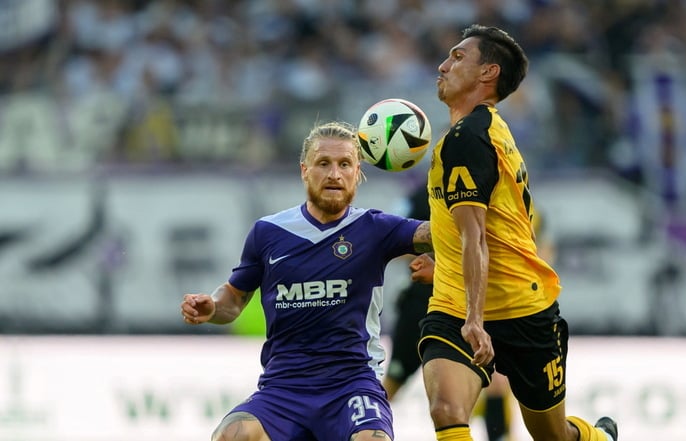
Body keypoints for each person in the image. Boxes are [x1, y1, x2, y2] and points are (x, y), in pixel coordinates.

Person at [413, 24, 619, 441]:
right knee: (446, 409)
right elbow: (476, 228)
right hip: (453, 305)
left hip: (521, 310)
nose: (443, 65)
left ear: (488, 73)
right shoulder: (485, 130)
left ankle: (597, 438)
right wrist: (449, 269)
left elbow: (478, 238)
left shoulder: (468, 138)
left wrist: (476, 319)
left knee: (552, 434)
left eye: (457, 57)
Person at [180, 121, 432, 441]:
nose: (334, 174)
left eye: (344, 164)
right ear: (304, 170)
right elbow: (233, 298)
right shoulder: (268, 233)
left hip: (351, 386)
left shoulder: (376, 229)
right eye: (323, 164)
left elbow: (443, 233)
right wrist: (212, 306)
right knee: (232, 435)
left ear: (358, 172)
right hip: (284, 389)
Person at [382, 183, 514, 441]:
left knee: (496, 382)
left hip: (469, 305)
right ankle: (358, 428)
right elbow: (392, 244)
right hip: (419, 306)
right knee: (393, 384)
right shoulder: (419, 196)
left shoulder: (488, 193)